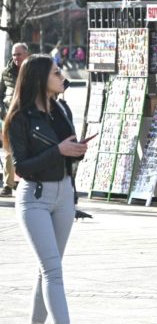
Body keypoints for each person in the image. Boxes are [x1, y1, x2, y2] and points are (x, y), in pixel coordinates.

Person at [3, 54, 88, 323]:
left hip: (64, 194)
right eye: (55, 72)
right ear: (39, 78)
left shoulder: (62, 110)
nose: (61, 75)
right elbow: (22, 168)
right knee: (53, 270)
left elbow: (68, 153)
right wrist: (59, 151)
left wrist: (76, 150)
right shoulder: (20, 117)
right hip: (35, 198)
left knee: (48, 269)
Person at [0, 42, 30, 197]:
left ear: (27, 54)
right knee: (8, 152)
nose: (16, 57)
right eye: (13, 54)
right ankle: (7, 185)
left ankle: (26, 183)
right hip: (9, 118)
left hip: (30, 118)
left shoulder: (34, 71)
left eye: (19, 54)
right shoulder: (6, 72)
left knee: (30, 151)